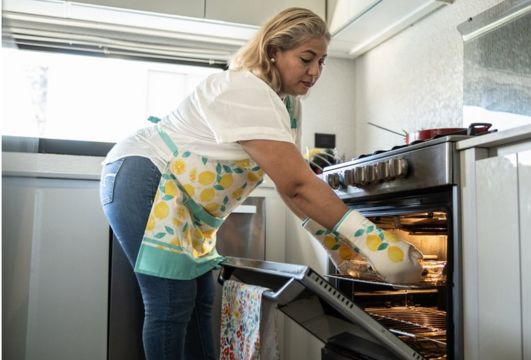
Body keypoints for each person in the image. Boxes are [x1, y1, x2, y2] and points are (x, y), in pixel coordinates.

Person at [99, 7, 422, 360]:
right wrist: (375, 242)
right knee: (170, 300)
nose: (315, 72)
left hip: (182, 202)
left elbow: (289, 185)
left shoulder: (287, 105)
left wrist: (343, 251)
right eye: (306, 59)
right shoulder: (243, 88)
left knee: (201, 301)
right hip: (146, 176)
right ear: (273, 51)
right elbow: (298, 184)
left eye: (322, 62)